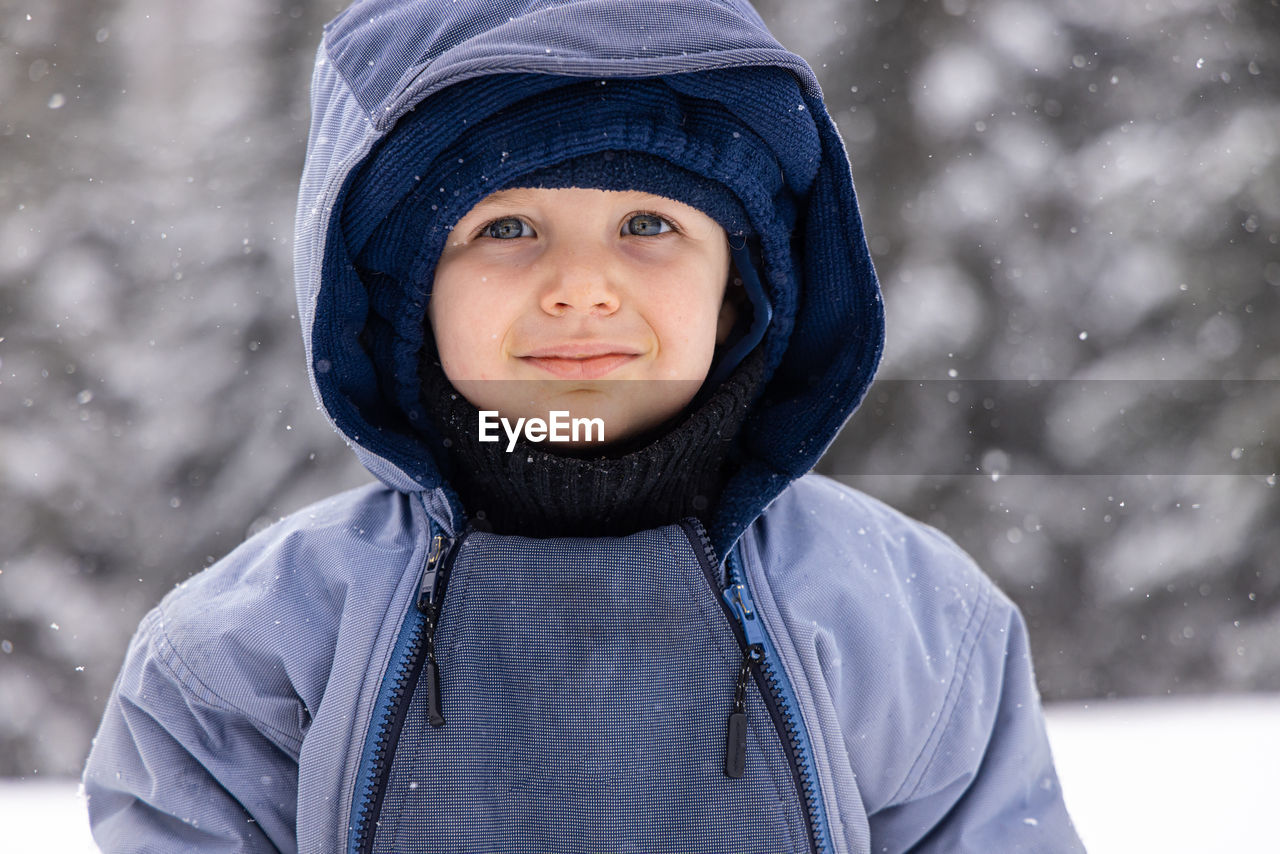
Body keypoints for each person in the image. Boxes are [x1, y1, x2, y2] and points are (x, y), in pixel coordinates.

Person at [82, 1, 1084, 852]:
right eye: (504, 228)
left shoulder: (909, 621)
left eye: (649, 226)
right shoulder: (246, 652)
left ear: (739, 291)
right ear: (399, 298)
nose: (579, 288)